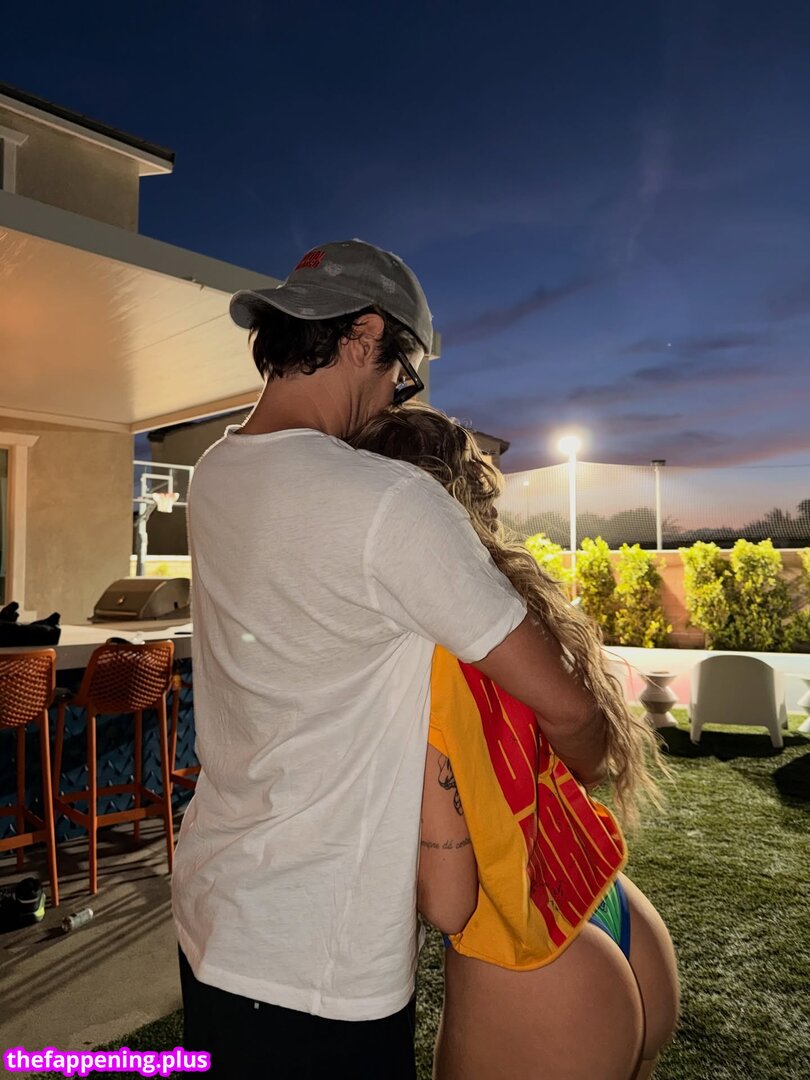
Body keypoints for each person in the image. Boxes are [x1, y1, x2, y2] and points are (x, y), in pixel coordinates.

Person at [171, 239, 610, 1080]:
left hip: (214, 913)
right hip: (318, 963)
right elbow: (568, 706)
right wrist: (587, 778)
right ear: (365, 335)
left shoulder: (215, 472)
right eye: (401, 379)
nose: (390, 401)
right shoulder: (389, 504)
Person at [351, 403, 680, 1080]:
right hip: (607, 901)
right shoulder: (509, 610)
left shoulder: (423, 657)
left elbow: (449, 902)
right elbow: (579, 751)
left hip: (529, 952)